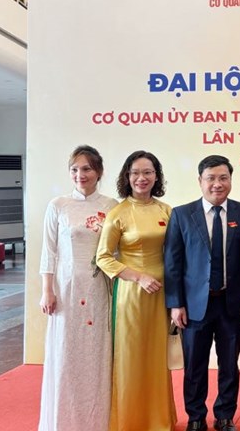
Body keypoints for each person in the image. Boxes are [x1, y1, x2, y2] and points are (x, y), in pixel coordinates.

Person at [164, 155, 240, 431]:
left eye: (223, 178)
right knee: (194, 366)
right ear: (200, 181)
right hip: (193, 306)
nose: (217, 184)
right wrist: (176, 303)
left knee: (229, 364)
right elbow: (173, 262)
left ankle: (225, 415)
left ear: (230, 180)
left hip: (231, 303)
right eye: (211, 178)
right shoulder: (182, 214)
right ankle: (195, 416)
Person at [95, 150, 176, 431]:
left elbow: (175, 254)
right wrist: (138, 277)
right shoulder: (118, 213)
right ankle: (130, 421)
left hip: (162, 294)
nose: (142, 178)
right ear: (127, 177)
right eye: (135, 173)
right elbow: (103, 257)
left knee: (157, 357)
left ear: (157, 176)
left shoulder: (166, 210)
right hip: (130, 294)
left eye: (148, 173)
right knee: (130, 357)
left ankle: (159, 420)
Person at [38, 145, 117, 431]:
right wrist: (47, 289)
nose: (80, 175)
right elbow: (49, 251)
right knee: (66, 354)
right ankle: (64, 420)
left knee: (98, 354)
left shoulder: (112, 206)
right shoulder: (58, 205)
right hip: (67, 290)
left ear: (99, 172)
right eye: (74, 169)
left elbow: (118, 252)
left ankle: (99, 421)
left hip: (100, 289)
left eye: (86, 169)